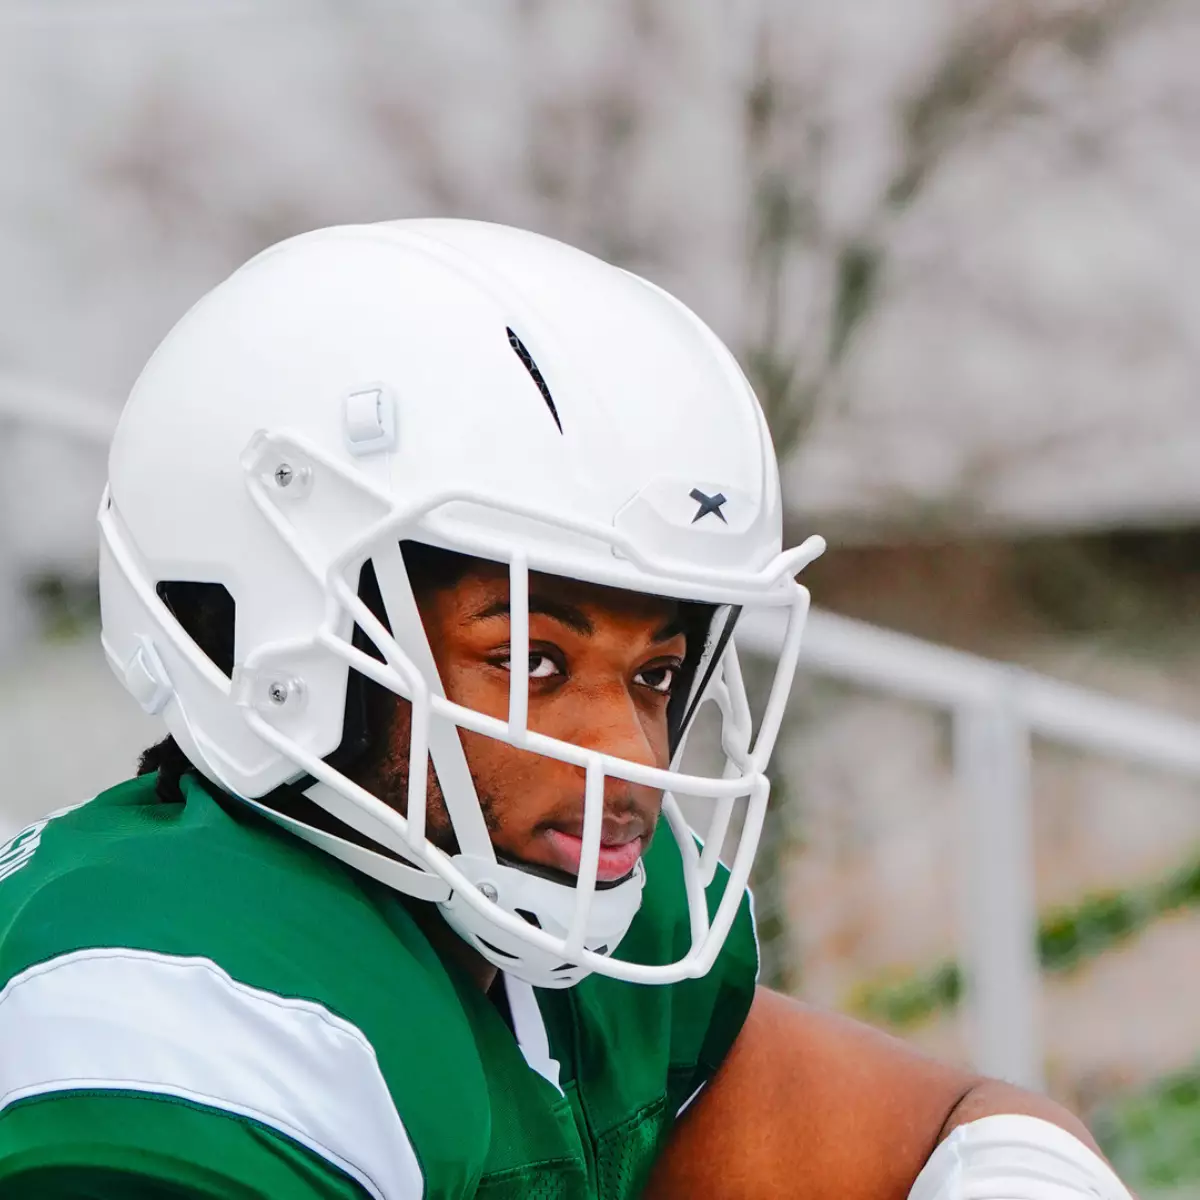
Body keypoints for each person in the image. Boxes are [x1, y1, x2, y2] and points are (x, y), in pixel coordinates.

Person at [0, 220, 1133, 1199]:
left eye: (653, 674)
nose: (627, 756)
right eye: (532, 660)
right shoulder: (169, 1004)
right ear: (265, 631)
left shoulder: (567, 910)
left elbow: (962, 1132)